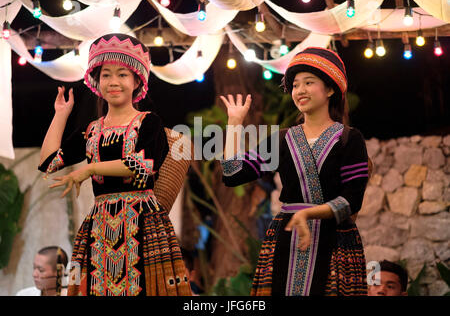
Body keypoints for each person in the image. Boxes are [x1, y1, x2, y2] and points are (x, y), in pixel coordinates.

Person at [38, 33, 191, 296]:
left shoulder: (149, 122)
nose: (113, 82)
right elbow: (48, 163)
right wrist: (61, 114)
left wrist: (91, 168)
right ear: (96, 82)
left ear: (136, 81)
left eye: (122, 74)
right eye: (106, 75)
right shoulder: (91, 131)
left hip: (143, 223)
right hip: (100, 225)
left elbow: (141, 166)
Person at [220, 47, 369, 296]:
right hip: (286, 239)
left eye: (308, 83)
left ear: (330, 89)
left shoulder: (349, 139)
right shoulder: (281, 139)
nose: (300, 91)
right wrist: (234, 124)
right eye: (296, 85)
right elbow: (233, 174)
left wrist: (310, 213)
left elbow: (352, 201)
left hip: (334, 241)